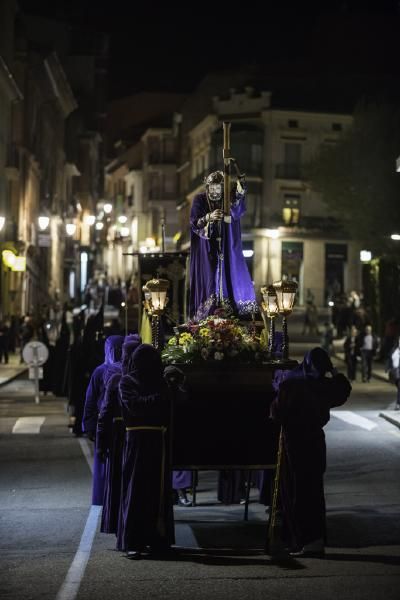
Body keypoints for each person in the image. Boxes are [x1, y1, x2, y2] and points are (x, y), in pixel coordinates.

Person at [271, 347, 352, 557]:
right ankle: (315, 539)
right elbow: (343, 390)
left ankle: (299, 539)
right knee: (314, 491)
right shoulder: (323, 386)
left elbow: (276, 412)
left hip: (294, 442)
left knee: (296, 491)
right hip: (315, 441)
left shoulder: (291, 382)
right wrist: (333, 371)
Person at [117, 344, 175, 559]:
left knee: (157, 491)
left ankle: (156, 539)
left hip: (157, 439)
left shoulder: (160, 381)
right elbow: (135, 406)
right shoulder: (127, 381)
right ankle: (134, 540)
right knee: (136, 490)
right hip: (137, 439)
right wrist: (159, 398)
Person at [189, 170, 257, 321]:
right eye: (212, 188)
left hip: (227, 247)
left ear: (222, 188)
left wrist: (241, 184)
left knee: (229, 276)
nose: (215, 191)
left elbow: (238, 204)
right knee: (211, 280)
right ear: (207, 188)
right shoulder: (199, 200)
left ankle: (231, 312)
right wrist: (208, 217)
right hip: (207, 250)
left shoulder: (227, 200)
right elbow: (195, 223)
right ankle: (208, 315)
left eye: (218, 188)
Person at [97, 334, 142, 534]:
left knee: (118, 480)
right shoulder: (146, 378)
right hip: (136, 437)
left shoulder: (115, 377)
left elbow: (104, 414)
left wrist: (100, 442)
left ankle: (117, 523)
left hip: (119, 436)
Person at [82, 335, 124, 505]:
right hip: (121, 423)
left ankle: (105, 497)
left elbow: (90, 400)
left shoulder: (101, 371)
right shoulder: (126, 369)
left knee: (104, 462)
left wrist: (89, 426)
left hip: (105, 422)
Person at [388, 338, 400, 410]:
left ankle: (398, 403)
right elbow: (394, 364)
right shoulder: (396, 351)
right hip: (397, 373)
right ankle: (398, 404)